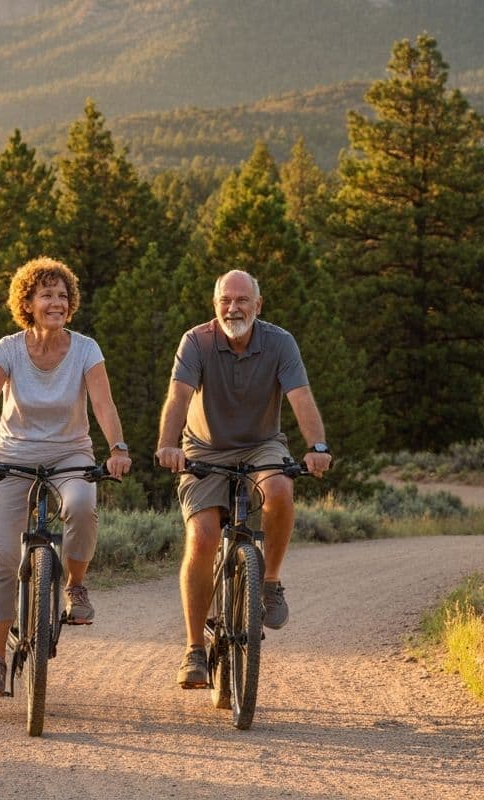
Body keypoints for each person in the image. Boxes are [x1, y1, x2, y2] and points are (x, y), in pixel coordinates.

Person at [0, 256, 132, 698]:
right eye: (46, 295)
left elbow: (103, 404)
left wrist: (118, 449)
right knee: (1, 558)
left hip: (70, 453)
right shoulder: (8, 349)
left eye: (62, 295)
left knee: (82, 506)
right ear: (28, 303)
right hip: (12, 455)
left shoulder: (86, 349)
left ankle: (75, 586)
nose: (56, 302)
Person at [156, 269, 333, 688]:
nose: (233, 308)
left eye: (242, 300)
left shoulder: (280, 342)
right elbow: (179, 396)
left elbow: (301, 397)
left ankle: (269, 581)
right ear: (215, 304)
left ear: (258, 304)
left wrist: (318, 447)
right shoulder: (196, 341)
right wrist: (168, 445)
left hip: (261, 444)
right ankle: (194, 649)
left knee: (280, 488)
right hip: (204, 448)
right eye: (225, 300)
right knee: (202, 537)